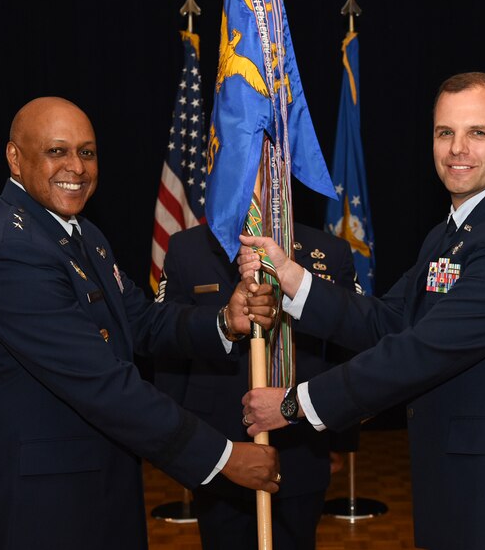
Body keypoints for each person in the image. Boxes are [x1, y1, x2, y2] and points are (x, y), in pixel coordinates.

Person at [237, 72, 485, 550]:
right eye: (445, 132)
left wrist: (293, 404)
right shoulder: (451, 233)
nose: (457, 149)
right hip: (456, 483)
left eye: (477, 133)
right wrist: (291, 277)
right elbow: (386, 321)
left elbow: (419, 352)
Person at [0, 96, 281, 550]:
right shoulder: (12, 253)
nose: (77, 167)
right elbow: (102, 384)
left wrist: (226, 322)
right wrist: (221, 457)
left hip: (95, 489)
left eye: (86, 152)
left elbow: (141, 320)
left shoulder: (80, 234)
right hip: (42, 510)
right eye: (57, 151)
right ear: (15, 157)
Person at [153, 222, 361, 549]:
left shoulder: (329, 250)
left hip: (301, 443)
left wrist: (341, 437)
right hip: (217, 442)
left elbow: (346, 349)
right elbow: (167, 345)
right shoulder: (186, 247)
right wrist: (175, 440)